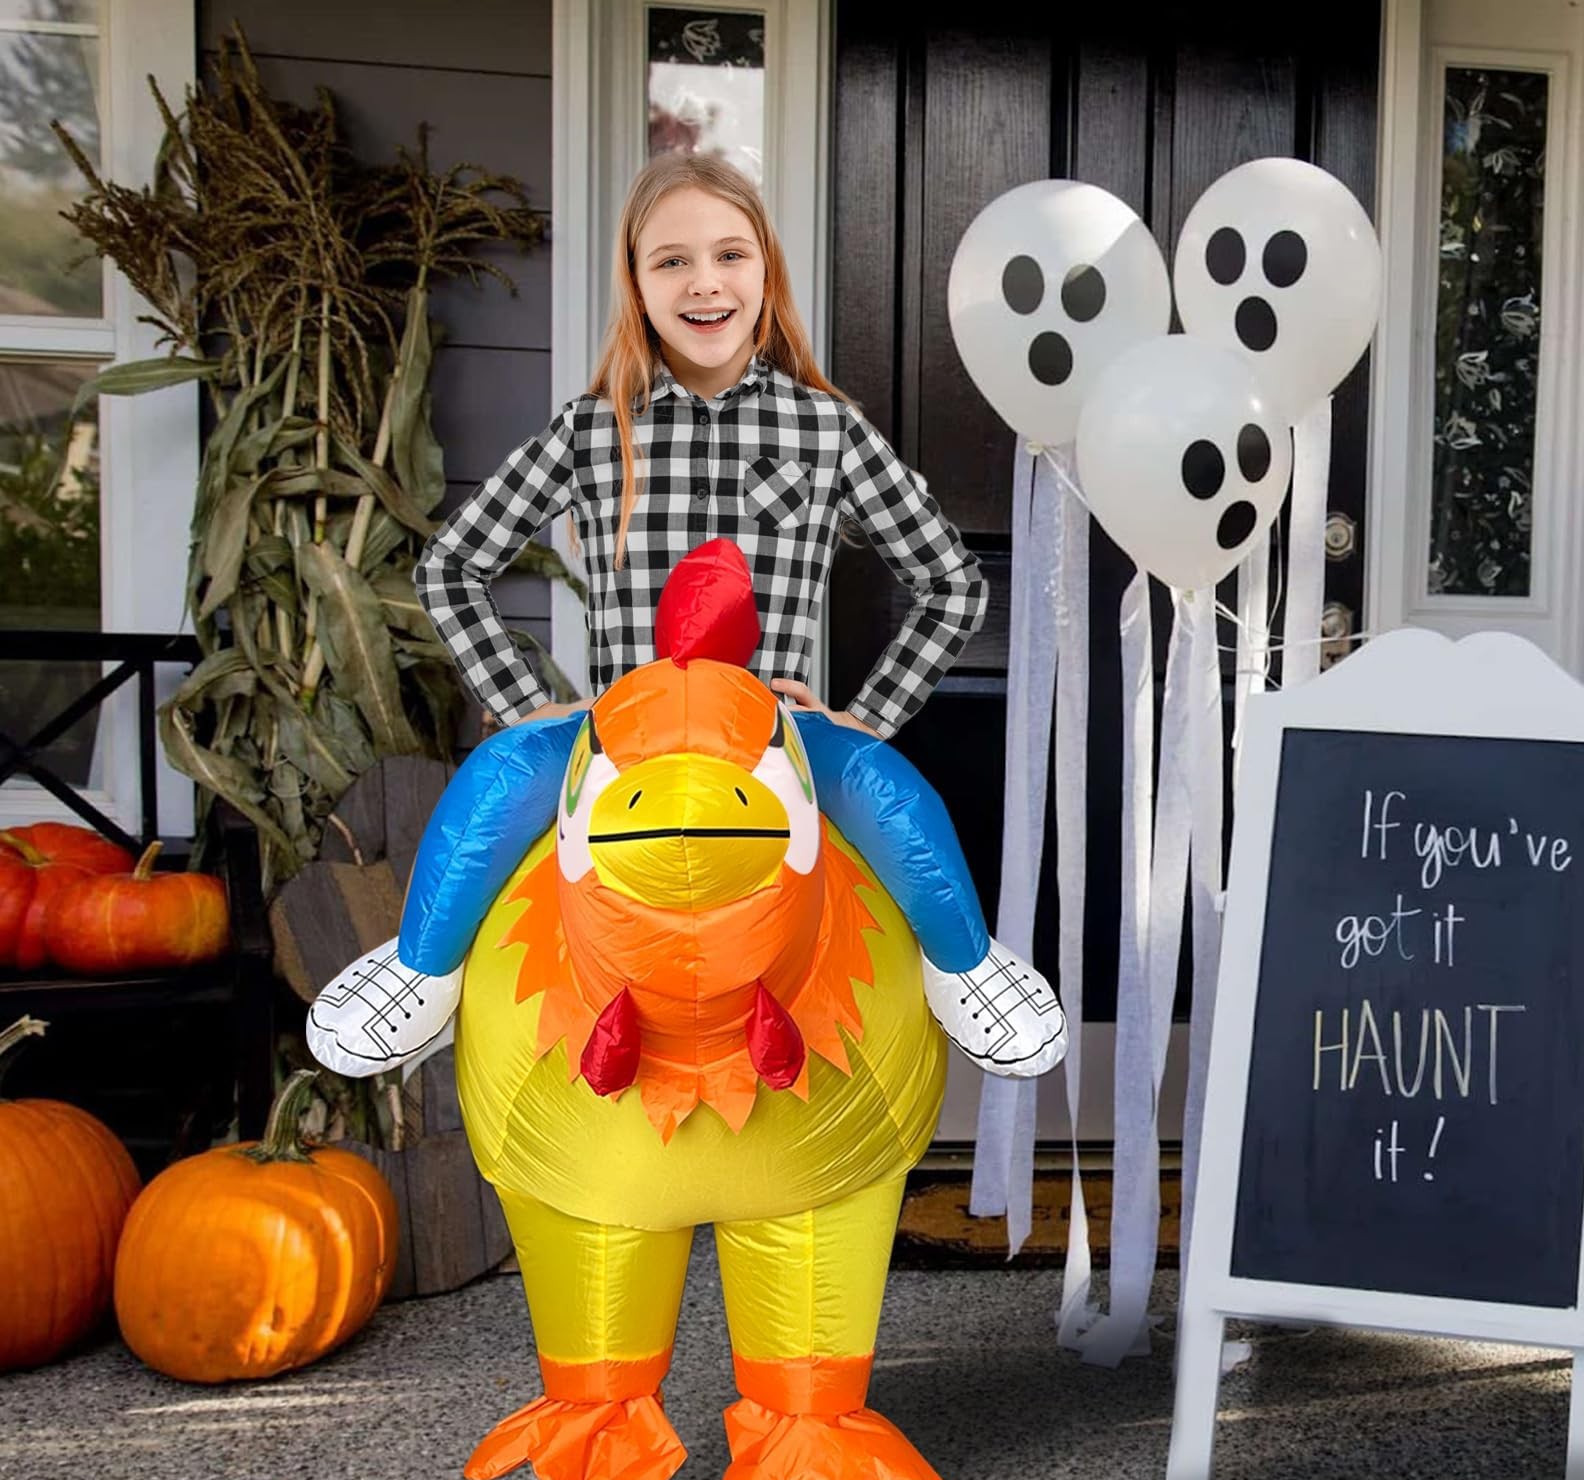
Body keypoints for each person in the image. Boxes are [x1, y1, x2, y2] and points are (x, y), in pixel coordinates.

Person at [307, 151, 1064, 1082]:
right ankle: (417, 973)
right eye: (672, 261)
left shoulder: (827, 430)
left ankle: (969, 968)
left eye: (730, 255)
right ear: (636, 284)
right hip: (622, 737)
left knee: (888, 794)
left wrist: (865, 717)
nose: (705, 282)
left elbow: (953, 583)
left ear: (766, 272)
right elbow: (451, 567)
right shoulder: (592, 429)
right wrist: (527, 702)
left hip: (770, 737)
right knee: (497, 780)